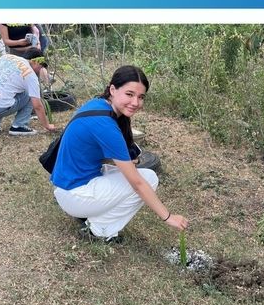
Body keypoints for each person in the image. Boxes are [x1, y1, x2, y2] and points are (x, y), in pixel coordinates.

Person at [51, 65, 188, 243]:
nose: (136, 103)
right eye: (129, 94)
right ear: (113, 89)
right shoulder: (105, 125)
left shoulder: (97, 105)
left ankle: (90, 213)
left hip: (67, 187)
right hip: (75, 195)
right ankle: (99, 229)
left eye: (141, 97)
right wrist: (168, 217)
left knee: (129, 173)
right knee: (148, 178)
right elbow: (138, 184)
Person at [0, 48, 57, 137]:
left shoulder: (6, 57)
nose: (40, 69)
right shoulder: (30, 75)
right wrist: (47, 125)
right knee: (30, 95)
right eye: (41, 66)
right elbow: (37, 106)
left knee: (6, 90)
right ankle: (19, 126)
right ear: (36, 61)